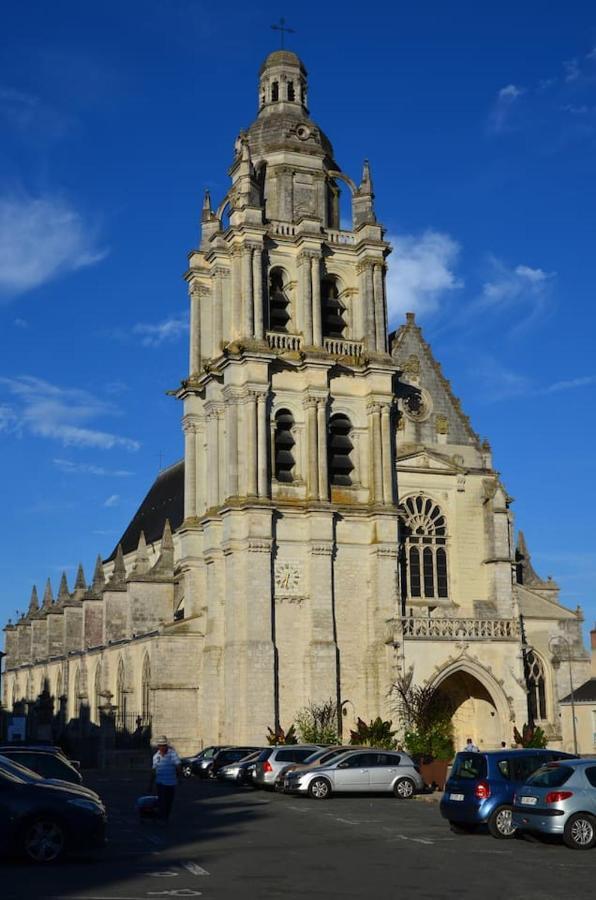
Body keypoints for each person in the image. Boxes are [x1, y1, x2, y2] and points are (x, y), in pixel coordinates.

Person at [151, 735, 180, 822]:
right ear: (158, 746)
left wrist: (180, 777)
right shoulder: (156, 757)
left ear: (166, 745)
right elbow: (154, 770)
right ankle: (162, 817)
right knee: (162, 801)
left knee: (169, 802)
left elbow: (178, 765)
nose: (162, 747)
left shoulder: (172, 754)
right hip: (160, 782)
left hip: (171, 782)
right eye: (161, 745)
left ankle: (165, 816)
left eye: (164, 745)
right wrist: (150, 784)